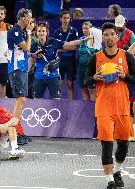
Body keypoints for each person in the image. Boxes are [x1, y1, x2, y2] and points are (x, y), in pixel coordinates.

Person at [84, 22, 135, 189]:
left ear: (117, 36)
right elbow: (86, 81)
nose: (109, 37)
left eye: (112, 34)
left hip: (122, 108)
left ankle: (117, 170)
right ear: (103, 38)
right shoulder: (95, 58)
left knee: (123, 145)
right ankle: (110, 181)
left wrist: (125, 76)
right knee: (107, 144)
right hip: (104, 108)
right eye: (106, 35)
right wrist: (95, 78)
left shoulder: (127, 57)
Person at [30, 22, 88, 100]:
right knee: (36, 102)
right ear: (36, 33)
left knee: (56, 102)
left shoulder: (53, 42)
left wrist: (83, 40)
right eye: (39, 31)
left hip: (53, 77)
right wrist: (32, 55)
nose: (41, 33)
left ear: (47, 32)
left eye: (43, 31)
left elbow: (69, 44)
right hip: (39, 77)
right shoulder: (33, 46)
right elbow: (28, 56)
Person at [7, 8, 34, 145]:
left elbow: (27, 51)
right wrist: (29, 32)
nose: (31, 20)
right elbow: (27, 47)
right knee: (20, 99)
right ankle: (14, 133)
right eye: (30, 17)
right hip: (16, 69)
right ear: (23, 18)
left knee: (21, 100)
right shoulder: (15, 31)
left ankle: (18, 132)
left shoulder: (21, 32)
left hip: (22, 68)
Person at [54, 10, 79, 100]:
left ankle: (71, 105)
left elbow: (75, 47)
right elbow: (55, 47)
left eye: (68, 18)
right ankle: (58, 106)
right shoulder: (57, 32)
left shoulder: (74, 31)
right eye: (64, 18)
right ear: (60, 19)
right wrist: (67, 47)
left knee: (70, 84)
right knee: (59, 84)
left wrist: (63, 48)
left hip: (71, 61)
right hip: (60, 60)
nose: (66, 20)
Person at [77, 21, 98, 101]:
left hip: (91, 69)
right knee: (84, 90)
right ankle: (86, 112)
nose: (85, 30)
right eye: (83, 28)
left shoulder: (96, 40)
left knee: (92, 90)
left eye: (87, 28)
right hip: (81, 68)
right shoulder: (80, 40)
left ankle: (92, 112)